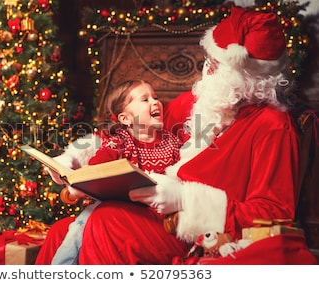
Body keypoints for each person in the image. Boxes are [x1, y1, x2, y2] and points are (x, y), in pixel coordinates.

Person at [35, 6, 318, 265]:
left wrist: (186, 199)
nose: (207, 68)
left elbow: (273, 213)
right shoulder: (200, 101)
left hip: (198, 232)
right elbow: (132, 129)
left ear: (243, 76)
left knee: (106, 222)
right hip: (157, 214)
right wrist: (74, 155)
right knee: (63, 231)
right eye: (209, 59)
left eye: (215, 64)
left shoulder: (273, 125)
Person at [50, 80, 182, 264]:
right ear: (125, 118)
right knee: (83, 223)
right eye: (145, 99)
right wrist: (80, 182)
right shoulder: (119, 141)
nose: (155, 102)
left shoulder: (172, 142)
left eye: (156, 97)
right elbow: (97, 167)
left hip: (153, 212)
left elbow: (181, 174)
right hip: (119, 207)